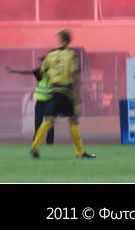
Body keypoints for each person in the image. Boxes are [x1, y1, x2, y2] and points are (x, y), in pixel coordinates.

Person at [29, 29, 95, 159]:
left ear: (60, 40)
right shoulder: (72, 55)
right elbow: (75, 75)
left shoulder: (50, 55)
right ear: (69, 41)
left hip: (54, 91)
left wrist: (50, 76)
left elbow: (41, 73)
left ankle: (34, 147)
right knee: (73, 120)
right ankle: (80, 152)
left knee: (49, 120)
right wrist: (78, 93)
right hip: (66, 91)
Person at [6, 57, 54, 146]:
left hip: (49, 102)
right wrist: (14, 71)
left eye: (43, 62)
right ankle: (36, 142)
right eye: (41, 63)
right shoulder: (39, 72)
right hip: (40, 102)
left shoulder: (51, 72)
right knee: (38, 123)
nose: (41, 64)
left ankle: (50, 143)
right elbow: (27, 72)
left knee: (49, 123)